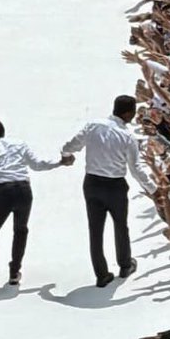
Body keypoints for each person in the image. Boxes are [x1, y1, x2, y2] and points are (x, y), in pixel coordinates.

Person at [0, 118, 73, 291]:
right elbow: (37, 164)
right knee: (20, 230)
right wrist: (59, 162)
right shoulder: (18, 144)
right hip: (24, 190)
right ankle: (15, 272)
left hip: (4, 192)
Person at [62, 95, 153, 287]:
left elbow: (71, 144)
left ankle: (101, 274)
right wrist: (153, 189)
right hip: (115, 186)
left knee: (95, 230)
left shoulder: (93, 125)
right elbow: (136, 169)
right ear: (128, 113)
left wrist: (66, 154)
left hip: (92, 183)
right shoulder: (128, 137)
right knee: (121, 226)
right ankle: (125, 264)